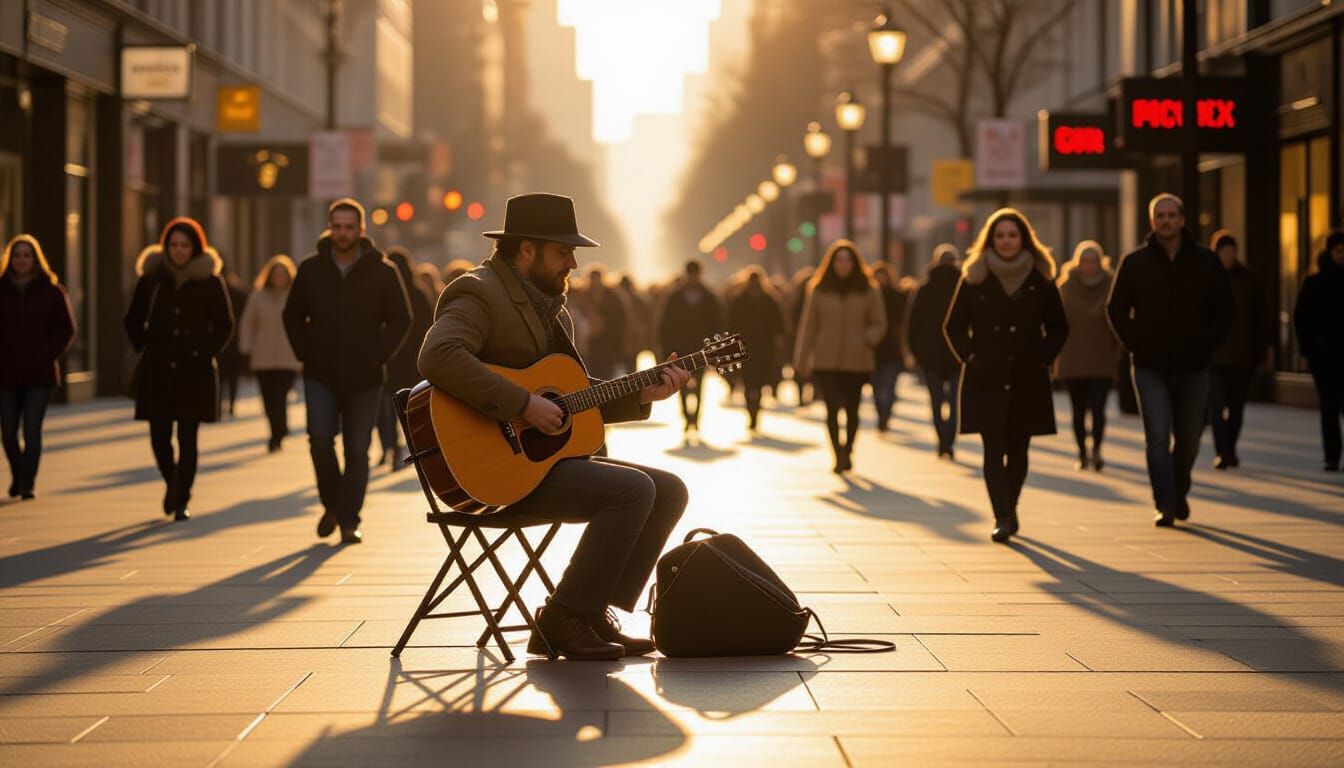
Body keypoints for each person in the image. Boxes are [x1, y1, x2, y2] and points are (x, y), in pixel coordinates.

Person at [418, 192, 691, 660]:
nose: (572, 264)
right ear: (527, 249)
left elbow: (569, 398)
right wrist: (521, 403)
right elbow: (437, 356)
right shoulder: (479, 292)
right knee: (632, 491)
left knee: (669, 489)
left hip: (537, 462)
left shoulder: (544, 306)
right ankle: (560, 618)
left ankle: (589, 612)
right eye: (563, 252)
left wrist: (645, 393)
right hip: (493, 469)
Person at [283, 199, 411, 545]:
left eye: (349, 227)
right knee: (320, 441)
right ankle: (332, 505)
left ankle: (349, 519)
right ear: (329, 227)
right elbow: (292, 314)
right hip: (319, 374)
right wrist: (305, 351)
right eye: (336, 226)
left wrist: (379, 354)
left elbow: (402, 317)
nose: (342, 233)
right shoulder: (311, 269)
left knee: (357, 449)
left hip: (365, 377)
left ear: (361, 230)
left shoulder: (383, 271)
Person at [1107, 194, 1234, 527]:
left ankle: (1179, 490)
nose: (1166, 220)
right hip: (1149, 366)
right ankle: (1164, 502)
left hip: (1194, 365)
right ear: (1152, 222)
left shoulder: (1206, 261)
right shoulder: (1134, 262)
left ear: (1182, 219)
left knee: (1190, 438)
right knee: (1158, 437)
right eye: (1159, 216)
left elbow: (1225, 309)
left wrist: (1207, 344)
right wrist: (1135, 343)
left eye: (1172, 215)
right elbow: (1115, 308)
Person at [944, 209, 1068, 543]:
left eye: (1012, 235)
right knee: (992, 447)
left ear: (1023, 238)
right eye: (1000, 235)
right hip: (986, 376)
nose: (1006, 241)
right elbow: (953, 325)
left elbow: (1059, 326)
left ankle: (1011, 508)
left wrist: (1043, 356)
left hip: (1028, 376)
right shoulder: (974, 276)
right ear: (990, 240)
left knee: (1019, 449)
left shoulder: (1041, 278)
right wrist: (970, 356)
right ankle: (1001, 516)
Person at [123, 218, 236, 521]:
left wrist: (205, 351)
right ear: (165, 246)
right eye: (173, 245)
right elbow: (132, 319)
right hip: (157, 369)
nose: (179, 251)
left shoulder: (210, 281)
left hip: (194, 370)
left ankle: (181, 498)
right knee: (159, 436)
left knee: (188, 438)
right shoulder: (151, 279)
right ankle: (172, 482)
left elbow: (225, 324)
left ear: (194, 247)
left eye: (185, 245)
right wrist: (145, 344)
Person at [794, 240, 886, 473]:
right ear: (831, 263)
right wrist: (802, 358)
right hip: (826, 359)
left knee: (853, 409)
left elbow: (879, 322)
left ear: (855, 263)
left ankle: (849, 448)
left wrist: (868, 338)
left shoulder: (868, 288)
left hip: (857, 359)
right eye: (839, 260)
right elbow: (809, 325)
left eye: (848, 260)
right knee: (832, 408)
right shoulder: (819, 288)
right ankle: (838, 454)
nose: (843, 265)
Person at [0, 235, 74, 500]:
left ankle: (27, 483)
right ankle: (19, 474)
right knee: (8, 431)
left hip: (39, 373)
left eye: (27, 255)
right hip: (5, 373)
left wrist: (46, 354)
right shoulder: (2, 289)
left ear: (35, 259)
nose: (21, 260)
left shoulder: (52, 291)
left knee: (31, 429)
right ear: (10, 258)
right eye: (17, 255)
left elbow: (66, 329)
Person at [1054, 241, 1119, 471]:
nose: (1089, 266)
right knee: (1078, 410)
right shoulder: (1065, 287)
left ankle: (1097, 450)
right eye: (1085, 261)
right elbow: (1055, 324)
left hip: (1101, 359)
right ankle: (1082, 452)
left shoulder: (1112, 286)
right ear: (1078, 263)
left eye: (1093, 261)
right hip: (1073, 360)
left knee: (1099, 408)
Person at [1207, 231, 1270, 470]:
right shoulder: (1207, 279)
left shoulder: (1250, 280)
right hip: (1213, 356)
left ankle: (1230, 449)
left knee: (1236, 408)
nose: (1228, 255)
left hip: (1242, 356)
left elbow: (1261, 318)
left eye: (1232, 251)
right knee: (1216, 407)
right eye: (1224, 251)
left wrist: (1262, 350)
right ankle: (1222, 451)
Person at [375, 246, 433, 471]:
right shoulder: (418, 293)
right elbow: (429, 327)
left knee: (386, 410)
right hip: (412, 361)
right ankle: (410, 445)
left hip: (390, 359)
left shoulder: (383, 293)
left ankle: (392, 446)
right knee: (410, 408)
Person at [239, 255, 302, 452]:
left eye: (283, 275)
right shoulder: (258, 296)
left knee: (280, 395)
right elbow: (248, 323)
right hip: (263, 355)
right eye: (276, 275)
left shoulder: (295, 296)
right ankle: (275, 430)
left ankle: (280, 430)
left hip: (288, 357)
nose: (279, 279)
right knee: (268, 398)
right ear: (270, 276)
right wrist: (246, 346)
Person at [905, 244, 963, 459]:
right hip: (958, 354)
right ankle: (950, 439)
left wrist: (916, 353)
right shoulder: (963, 286)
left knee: (936, 400)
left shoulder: (924, 288)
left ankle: (942, 440)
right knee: (955, 401)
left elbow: (912, 324)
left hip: (930, 356)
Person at [1294, 230, 1344, 471]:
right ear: (1330, 252)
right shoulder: (1314, 283)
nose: (1342, 256)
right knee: (1329, 406)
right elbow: (1301, 319)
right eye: (1339, 251)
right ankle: (1332, 455)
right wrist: (1310, 350)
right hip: (1324, 357)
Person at [658, 260, 723, 439]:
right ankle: (687, 416)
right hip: (680, 349)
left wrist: (715, 348)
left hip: (702, 350)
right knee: (681, 384)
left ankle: (696, 418)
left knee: (700, 384)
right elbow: (666, 325)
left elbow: (716, 323)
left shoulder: (709, 298)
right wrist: (665, 350)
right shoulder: (675, 297)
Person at [727, 267, 787, 432]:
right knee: (753, 384)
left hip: (756, 348)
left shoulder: (754, 299)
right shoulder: (766, 299)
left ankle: (753, 413)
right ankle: (753, 412)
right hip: (755, 348)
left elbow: (778, 326)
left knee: (752, 383)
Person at [869, 262, 910, 433]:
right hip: (873, 349)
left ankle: (886, 414)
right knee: (877, 387)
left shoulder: (897, 296)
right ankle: (881, 414)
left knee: (890, 385)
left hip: (892, 349)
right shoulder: (869, 296)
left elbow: (905, 324)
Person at [218, 269, 250, 418]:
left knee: (222, 375)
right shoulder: (239, 294)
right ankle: (230, 404)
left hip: (224, 341)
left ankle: (220, 404)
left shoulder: (233, 294)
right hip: (233, 340)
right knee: (232, 376)